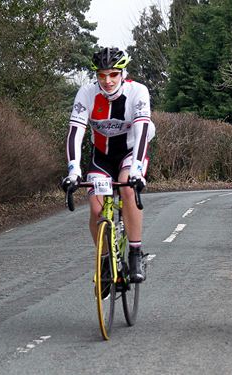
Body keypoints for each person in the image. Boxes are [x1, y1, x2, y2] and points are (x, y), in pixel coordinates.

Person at [62, 47, 155, 283]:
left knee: (126, 187)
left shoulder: (138, 92)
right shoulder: (86, 93)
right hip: (101, 156)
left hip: (130, 152)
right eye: (102, 75)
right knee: (95, 209)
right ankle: (105, 262)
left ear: (123, 73)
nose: (108, 81)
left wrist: (136, 171)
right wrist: (73, 170)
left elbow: (143, 129)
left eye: (113, 74)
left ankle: (135, 253)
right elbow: (75, 132)